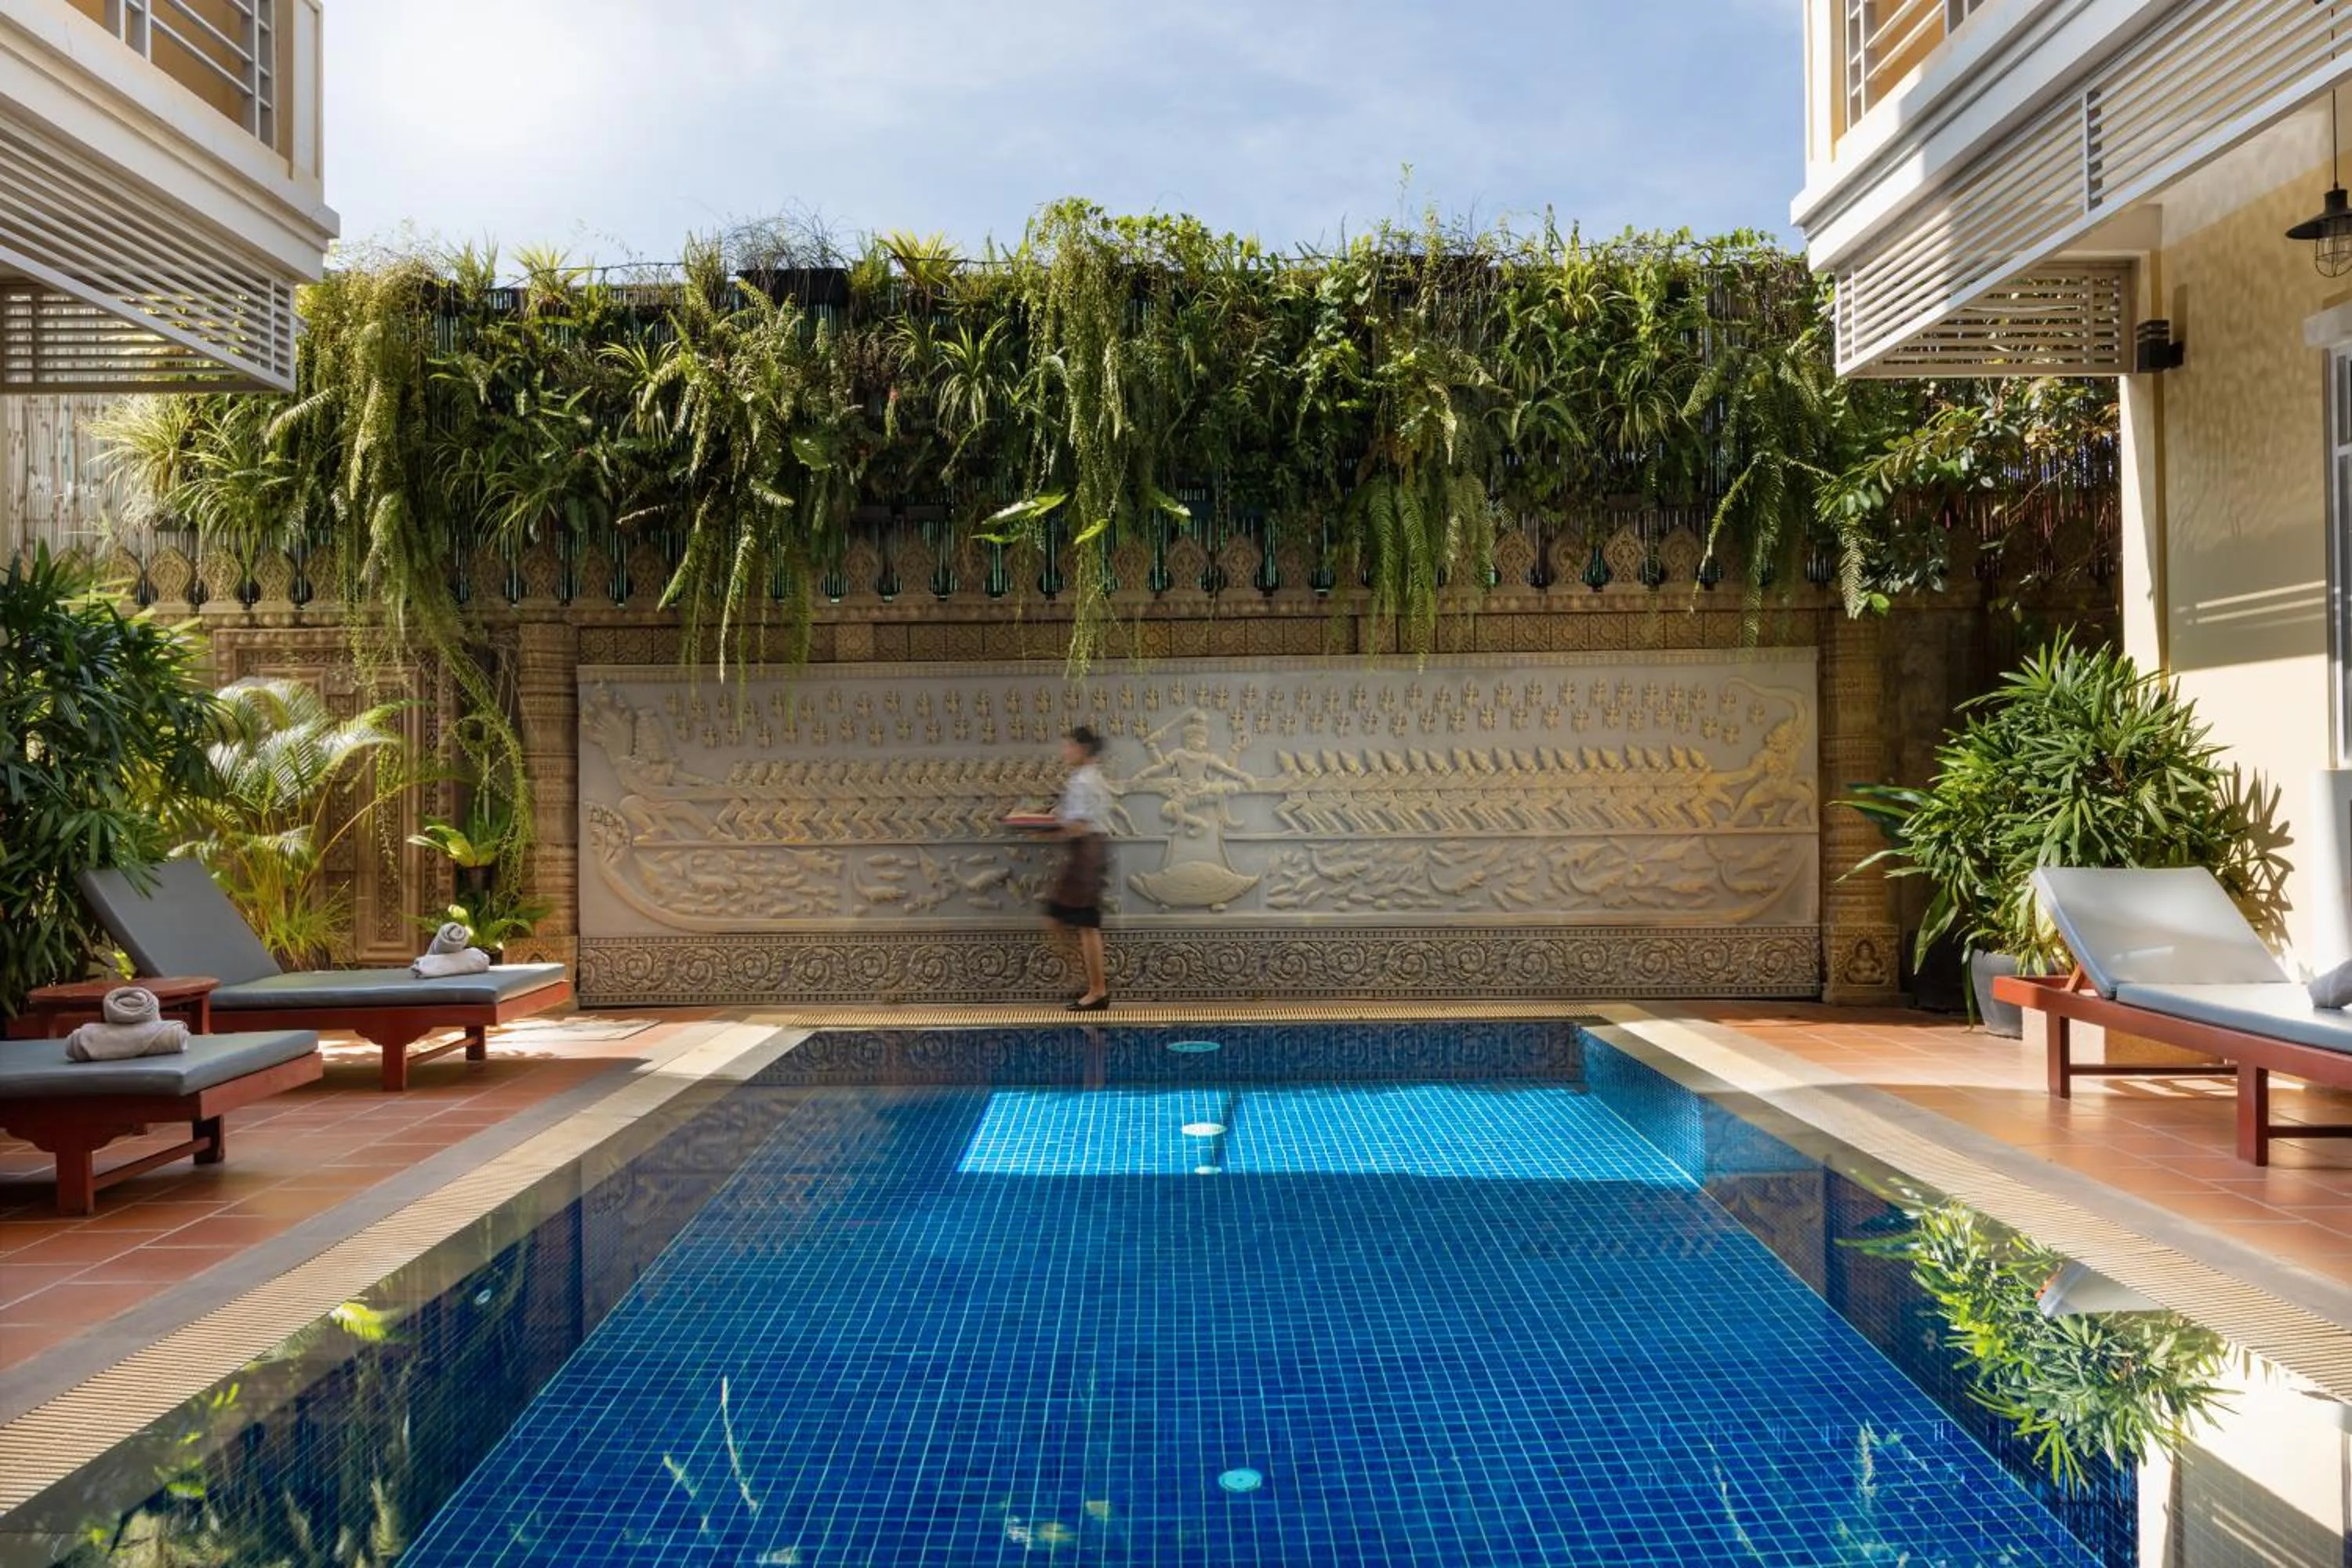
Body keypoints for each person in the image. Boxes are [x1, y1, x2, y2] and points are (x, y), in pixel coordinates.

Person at [1047, 726, 1112, 1011]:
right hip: (1089, 852)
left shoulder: (1083, 782)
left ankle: (1094, 987)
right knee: (1075, 921)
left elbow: (1079, 826)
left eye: (1069, 746)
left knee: (1081, 923)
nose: (1065, 752)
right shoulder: (1092, 778)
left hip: (1085, 854)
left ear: (1082, 749)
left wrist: (1043, 827)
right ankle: (1090, 983)